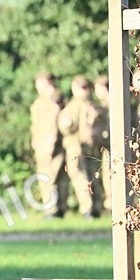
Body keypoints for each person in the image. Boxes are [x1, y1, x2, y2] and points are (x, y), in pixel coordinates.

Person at [58, 74, 105, 218]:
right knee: (87, 177)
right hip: (84, 147)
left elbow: (65, 126)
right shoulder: (91, 106)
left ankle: (90, 209)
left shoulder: (81, 106)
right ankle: (93, 208)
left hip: (83, 148)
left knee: (85, 177)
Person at [30, 71, 69, 216]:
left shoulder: (51, 101)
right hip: (53, 144)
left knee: (48, 177)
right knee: (59, 177)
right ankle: (60, 208)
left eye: (39, 83)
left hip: (48, 145)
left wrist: (48, 146)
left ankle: (52, 210)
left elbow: (51, 125)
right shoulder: (55, 99)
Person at [93, 75, 112, 211]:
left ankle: (112, 202)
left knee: (109, 174)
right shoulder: (105, 104)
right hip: (107, 145)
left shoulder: (110, 104)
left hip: (111, 146)